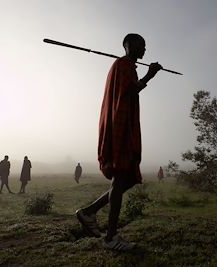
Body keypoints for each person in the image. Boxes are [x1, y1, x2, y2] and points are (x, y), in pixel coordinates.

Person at [75, 33, 162, 251]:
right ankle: (110, 238)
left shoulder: (128, 67)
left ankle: (89, 212)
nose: (144, 50)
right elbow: (130, 91)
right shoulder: (123, 65)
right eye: (141, 45)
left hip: (125, 126)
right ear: (128, 45)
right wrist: (150, 75)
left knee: (128, 179)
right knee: (121, 175)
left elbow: (129, 92)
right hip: (120, 128)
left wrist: (144, 75)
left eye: (145, 46)